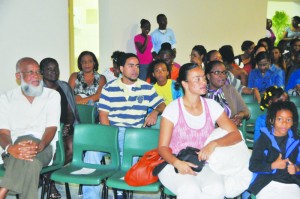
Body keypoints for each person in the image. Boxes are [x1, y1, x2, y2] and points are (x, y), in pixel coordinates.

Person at [82, 53, 166, 199]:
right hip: (112, 131)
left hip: (134, 135)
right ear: (121, 68)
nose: (135, 69)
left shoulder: (146, 88)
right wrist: (110, 140)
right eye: (131, 66)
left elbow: (162, 105)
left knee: (128, 153)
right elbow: (103, 116)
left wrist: (155, 112)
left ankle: (121, 191)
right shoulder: (109, 88)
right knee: (91, 154)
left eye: (137, 66)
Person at [157, 63, 242, 199]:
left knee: (217, 189)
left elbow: (236, 135)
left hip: (204, 164)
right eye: (197, 79)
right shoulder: (172, 109)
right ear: (184, 83)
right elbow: (162, 148)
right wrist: (177, 163)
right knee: (190, 190)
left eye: (203, 78)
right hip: (173, 163)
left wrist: (213, 144)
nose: (204, 82)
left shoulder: (212, 106)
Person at [0, 57, 60, 199]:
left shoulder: (52, 95)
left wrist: (41, 145)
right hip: (13, 149)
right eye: (30, 72)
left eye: (38, 72)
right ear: (18, 76)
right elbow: (3, 132)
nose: (37, 76)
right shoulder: (6, 98)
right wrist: (10, 148)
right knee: (32, 164)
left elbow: (51, 128)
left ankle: (4, 189)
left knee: (29, 143)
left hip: (43, 147)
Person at [40, 57, 80, 198]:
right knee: (55, 149)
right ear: (42, 71)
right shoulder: (36, 90)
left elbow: (71, 109)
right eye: (49, 69)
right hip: (46, 132)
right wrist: (57, 129)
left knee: (75, 146)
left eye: (56, 68)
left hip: (66, 129)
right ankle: (50, 183)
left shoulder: (64, 86)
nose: (54, 71)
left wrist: (68, 126)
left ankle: (46, 177)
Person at [248, 101, 300, 199]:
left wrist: (296, 168)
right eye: (280, 119)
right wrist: (273, 165)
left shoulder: (297, 141)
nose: (284, 123)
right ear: (272, 120)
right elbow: (253, 166)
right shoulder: (263, 140)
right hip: (267, 183)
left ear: (293, 122)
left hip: (292, 183)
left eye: (288, 120)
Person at [206, 60, 250, 127]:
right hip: (212, 134)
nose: (222, 76)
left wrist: (239, 116)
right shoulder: (202, 94)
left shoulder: (230, 89)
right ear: (208, 76)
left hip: (232, 132)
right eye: (217, 72)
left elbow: (246, 111)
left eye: (224, 72)